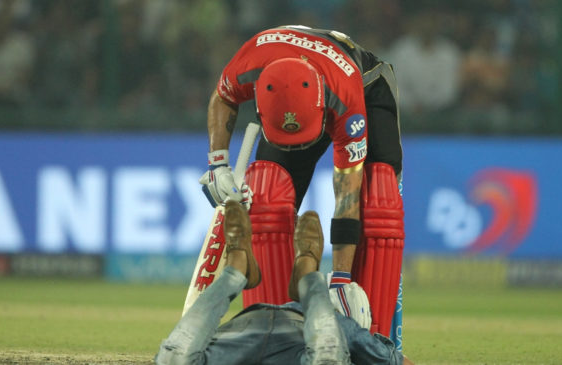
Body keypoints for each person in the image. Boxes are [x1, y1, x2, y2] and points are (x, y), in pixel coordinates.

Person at [198, 25, 405, 343]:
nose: (294, 147)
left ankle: (373, 341)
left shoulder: (345, 101)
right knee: (266, 192)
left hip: (365, 86)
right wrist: (217, 164)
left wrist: (340, 279)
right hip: (296, 88)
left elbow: (345, 198)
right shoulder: (249, 63)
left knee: (379, 198)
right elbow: (223, 97)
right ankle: (273, 339)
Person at [155, 200, 411, 365]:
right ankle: (309, 275)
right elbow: (392, 360)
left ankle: (236, 272)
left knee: (171, 361)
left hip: (238, 341)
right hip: (290, 336)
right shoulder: (345, 329)